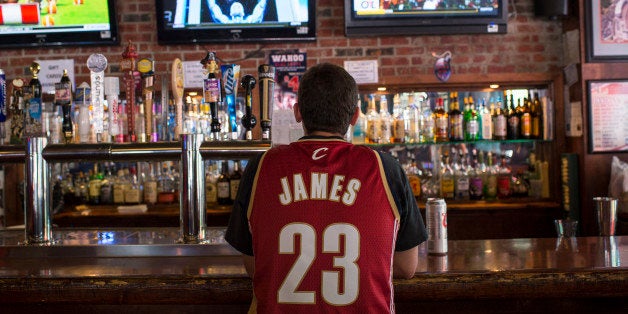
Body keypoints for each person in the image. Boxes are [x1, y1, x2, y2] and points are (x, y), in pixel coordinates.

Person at [225, 63, 427, 313]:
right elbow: (407, 267)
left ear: (297, 113)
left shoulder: (261, 167)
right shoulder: (385, 168)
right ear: (355, 116)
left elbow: (255, 265)